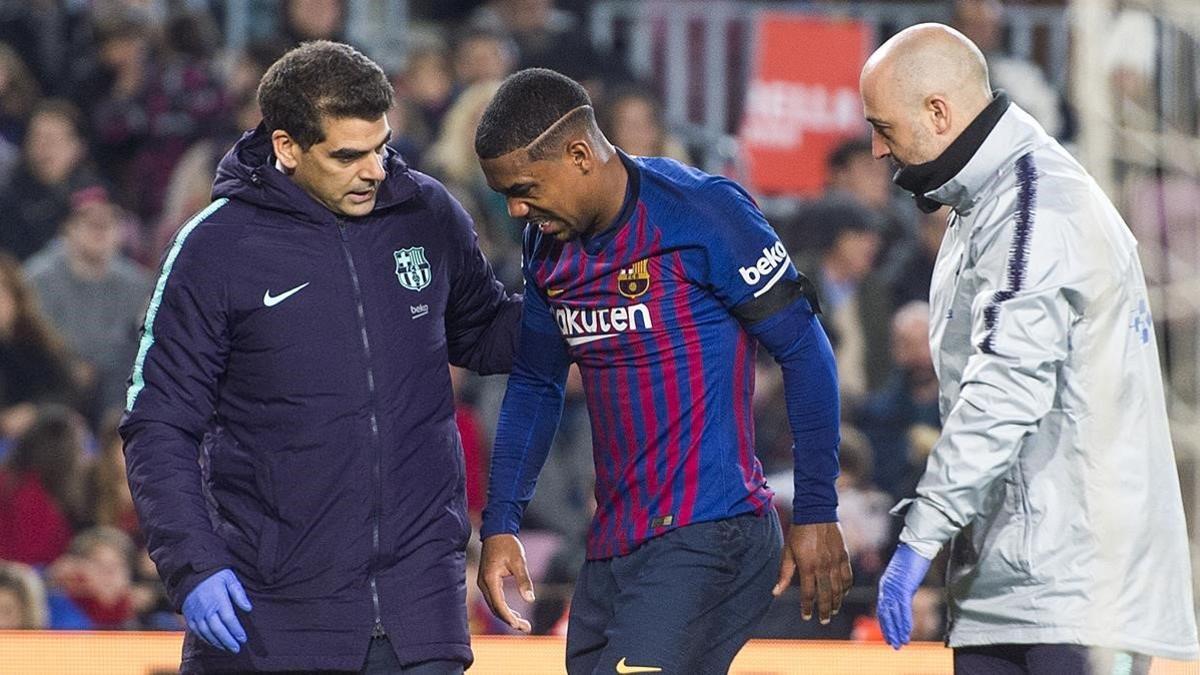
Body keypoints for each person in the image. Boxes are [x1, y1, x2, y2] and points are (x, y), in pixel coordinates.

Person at [120, 40, 521, 673]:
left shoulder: (427, 212)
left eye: (382, 147)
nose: (374, 171)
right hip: (272, 612)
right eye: (347, 156)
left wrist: (573, 298)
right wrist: (193, 564)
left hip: (422, 610)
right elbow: (158, 424)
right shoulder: (215, 249)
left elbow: (486, 333)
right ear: (286, 147)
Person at [473, 68, 852, 674]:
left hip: (712, 529)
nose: (517, 209)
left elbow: (805, 351)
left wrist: (816, 510)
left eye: (523, 188)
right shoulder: (546, 247)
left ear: (579, 154)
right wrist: (501, 523)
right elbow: (536, 384)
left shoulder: (704, 214)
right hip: (614, 543)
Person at [862, 23, 1200, 672]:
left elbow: (1003, 392)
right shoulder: (983, 205)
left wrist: (920, 535)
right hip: (1010, 580)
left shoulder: (1036, 208)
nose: (878, 149)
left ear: (938, 112)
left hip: (1079, 588)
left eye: (884, 126)